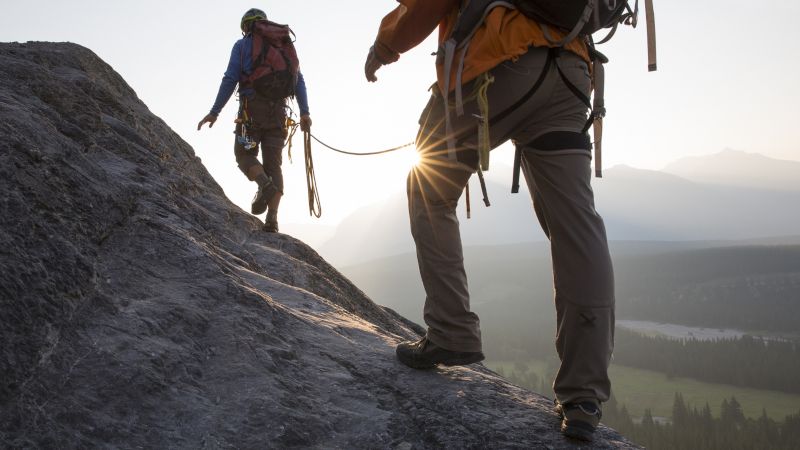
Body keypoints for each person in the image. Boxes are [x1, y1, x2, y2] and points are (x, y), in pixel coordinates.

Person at [366, 0, 615, 442]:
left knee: (428, 188)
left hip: (498, 67)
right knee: (576, 228)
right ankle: (583, 395)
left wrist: (385, 46)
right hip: (572, 74)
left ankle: (451, 330)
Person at [198, 8, 312, 233]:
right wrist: (305, 112)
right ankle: (273, 219)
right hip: (279, 115)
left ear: (246, 27)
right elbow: (299, 80)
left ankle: (264, 185)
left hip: (251, 114)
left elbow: (230, 78)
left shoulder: (242, 46)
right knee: (273, 165)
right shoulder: (283, 46)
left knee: (244, 155)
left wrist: (215, 111)